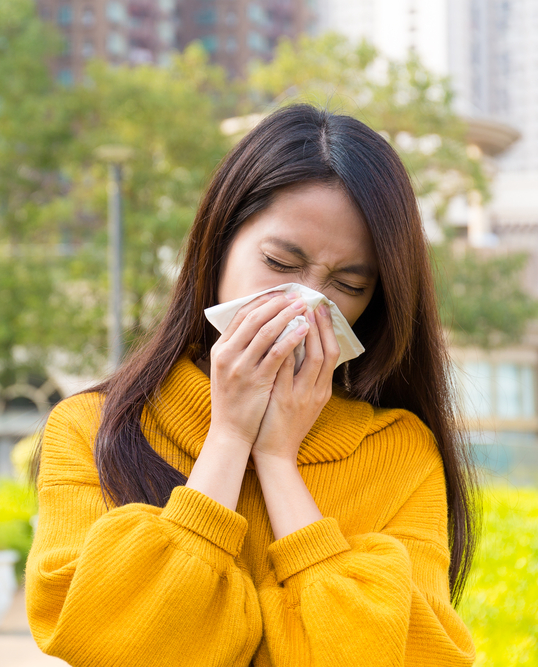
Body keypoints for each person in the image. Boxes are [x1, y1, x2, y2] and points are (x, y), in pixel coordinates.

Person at [25, 104, 478, 667]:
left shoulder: (397, 452)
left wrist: (278, 460)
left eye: (346, 283)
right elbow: (109, 639)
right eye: (280, 262)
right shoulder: (91, 428)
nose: (307, 303)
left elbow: (416, 656)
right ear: (218, 244)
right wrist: (230, 436)